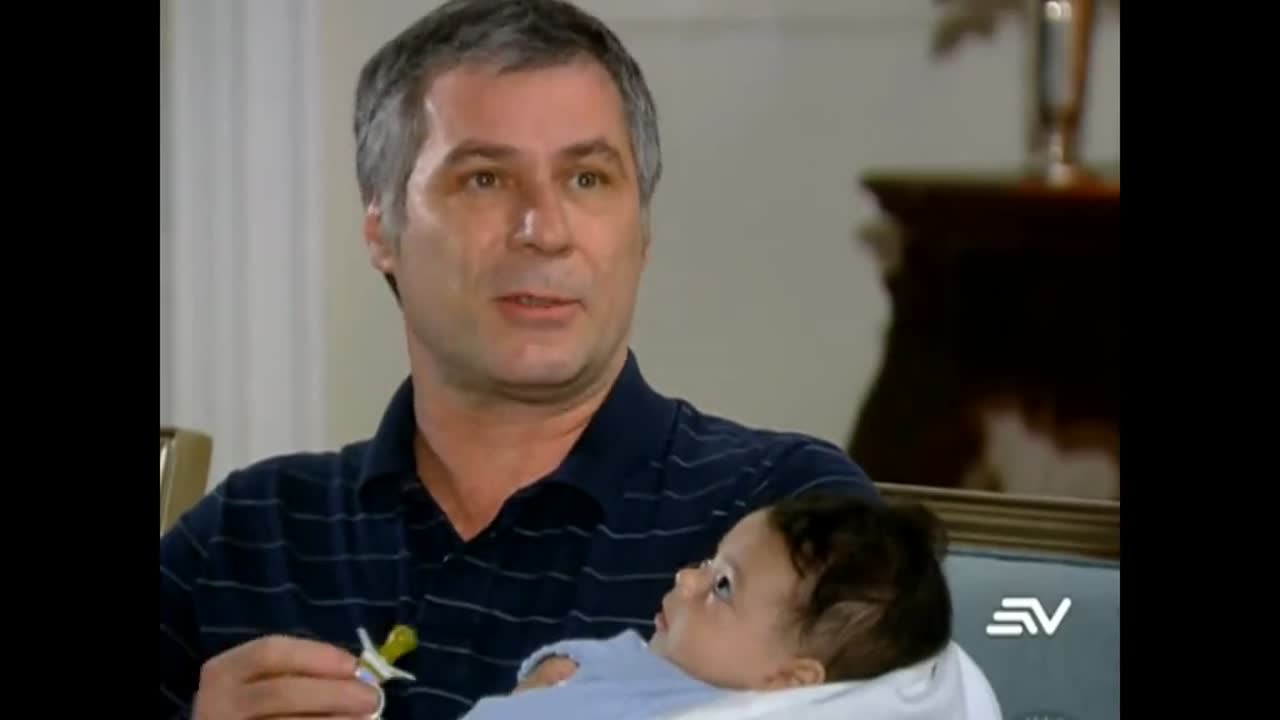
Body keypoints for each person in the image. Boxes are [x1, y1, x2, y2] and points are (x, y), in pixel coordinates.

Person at [158, 1, 879, 718]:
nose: (544, 229)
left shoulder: (783, 523)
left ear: (642, 231)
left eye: (587, 178)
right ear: (381, 229)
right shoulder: (247, 537)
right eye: (485, 179)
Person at [458, 493, 952, 720]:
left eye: (722, 586)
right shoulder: (654, 659)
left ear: (789, 679)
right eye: (708, 562)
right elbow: (589, 659)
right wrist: (547, 671)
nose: (687, 578)